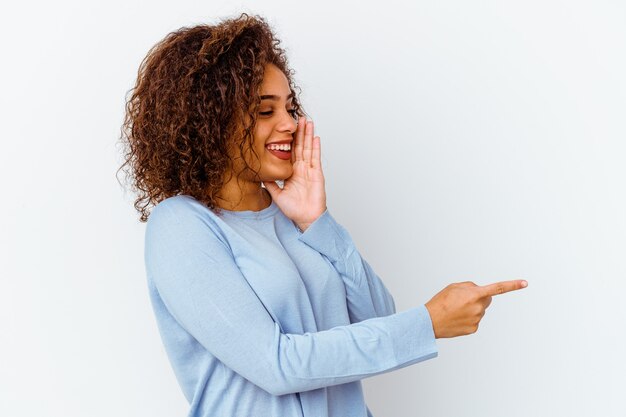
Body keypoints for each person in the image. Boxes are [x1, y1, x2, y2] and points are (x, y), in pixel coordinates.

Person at [118, 13, 528, 417]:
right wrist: (426, 325)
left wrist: (318, 221)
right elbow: (275, 365)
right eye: (265, 112)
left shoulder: (296, 219)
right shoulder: (181, 226)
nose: (290, 124)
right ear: (209, 121)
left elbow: (379, 318)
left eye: (290, 107)